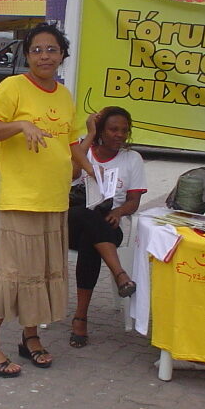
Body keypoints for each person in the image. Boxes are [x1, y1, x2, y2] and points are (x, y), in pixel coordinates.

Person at [0, 23, 77, 377]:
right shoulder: (12, 87)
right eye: (37, 50)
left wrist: (88, 159)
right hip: (21, 197)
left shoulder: (64, 94)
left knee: (43, 272)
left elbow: (70, 144)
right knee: (14, 273)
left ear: (62, 54)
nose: (45, 56)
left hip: (55, 197)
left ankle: (30, 337)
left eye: (52, 49)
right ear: (27, 55)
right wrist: (20, 125)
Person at [67, 107, 145, 348]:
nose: (119, 135)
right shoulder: (82, 150)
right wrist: (89, 135)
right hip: (73, 225)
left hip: (109, 225)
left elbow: (133, 202)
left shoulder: (133, 159)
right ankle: (120, 274)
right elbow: (71, 173)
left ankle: (80, 318)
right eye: (112, 129)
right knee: (84, 213)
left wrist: (119, 211)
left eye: (124, 130)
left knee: (92, 238)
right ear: (101, 130)